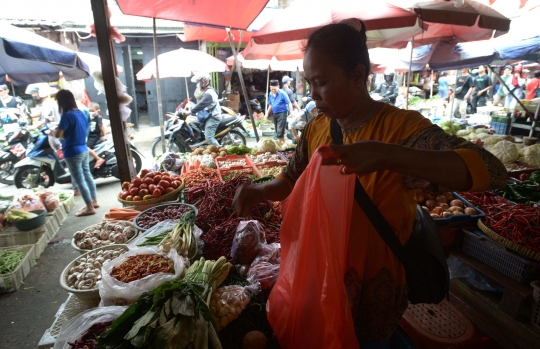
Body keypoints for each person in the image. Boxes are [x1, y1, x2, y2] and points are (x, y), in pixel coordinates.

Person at [232, 18, 506, 348]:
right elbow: (291, 178)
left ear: (358, 76)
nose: (313, 94)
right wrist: (261, 190)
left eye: (321, 82)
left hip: (376, 291)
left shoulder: (400, 129)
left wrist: (386, 156)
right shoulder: (318, 127)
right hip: (323, 276)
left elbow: (492, 172)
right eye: (309, 82)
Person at [52, 90, 98, 217]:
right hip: (83, 148)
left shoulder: (66, 115)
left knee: (79, 179)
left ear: (62, 101)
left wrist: (51, 132)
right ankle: (94, 201)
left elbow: (58, 134)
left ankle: (89, 207)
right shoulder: (81, 112)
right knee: (87, 175)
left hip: (72, 151)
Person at [182, 74, 221, 146]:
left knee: (209, 138)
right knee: (191, 122)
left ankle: (221, 151)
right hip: (206, 115)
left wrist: (190, 112)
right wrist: (189, 105)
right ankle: (199, 139)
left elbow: (201, 104)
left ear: (204, 82)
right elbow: (199, 103)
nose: (198, 84)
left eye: (199, 82)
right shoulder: (206, 92)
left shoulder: (209, 93)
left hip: (213, 117)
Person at [266, 79, 294, 144]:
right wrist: (267, 114)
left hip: (282, 113)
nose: (273, 91)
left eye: (274, 89)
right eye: (272, 89)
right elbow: (270, 104)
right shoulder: (270, 94)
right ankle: (284, 145)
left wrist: (291, 112)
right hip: (275, 113)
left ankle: (278, 146)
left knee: (279, 131)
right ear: (270, 87)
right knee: (278, 131)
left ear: (278, 87)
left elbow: (289, 103)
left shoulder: (282, 93)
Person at [87, 102, 106, 168]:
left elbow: (101, 127)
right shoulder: (89, 117)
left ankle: (98, 159)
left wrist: (103, 135)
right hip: (89, 136)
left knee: (85, 147)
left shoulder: (98, 118)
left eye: (92, 111)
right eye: (89, 111)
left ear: (98, 110)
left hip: (94, 136)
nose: (91, 112)